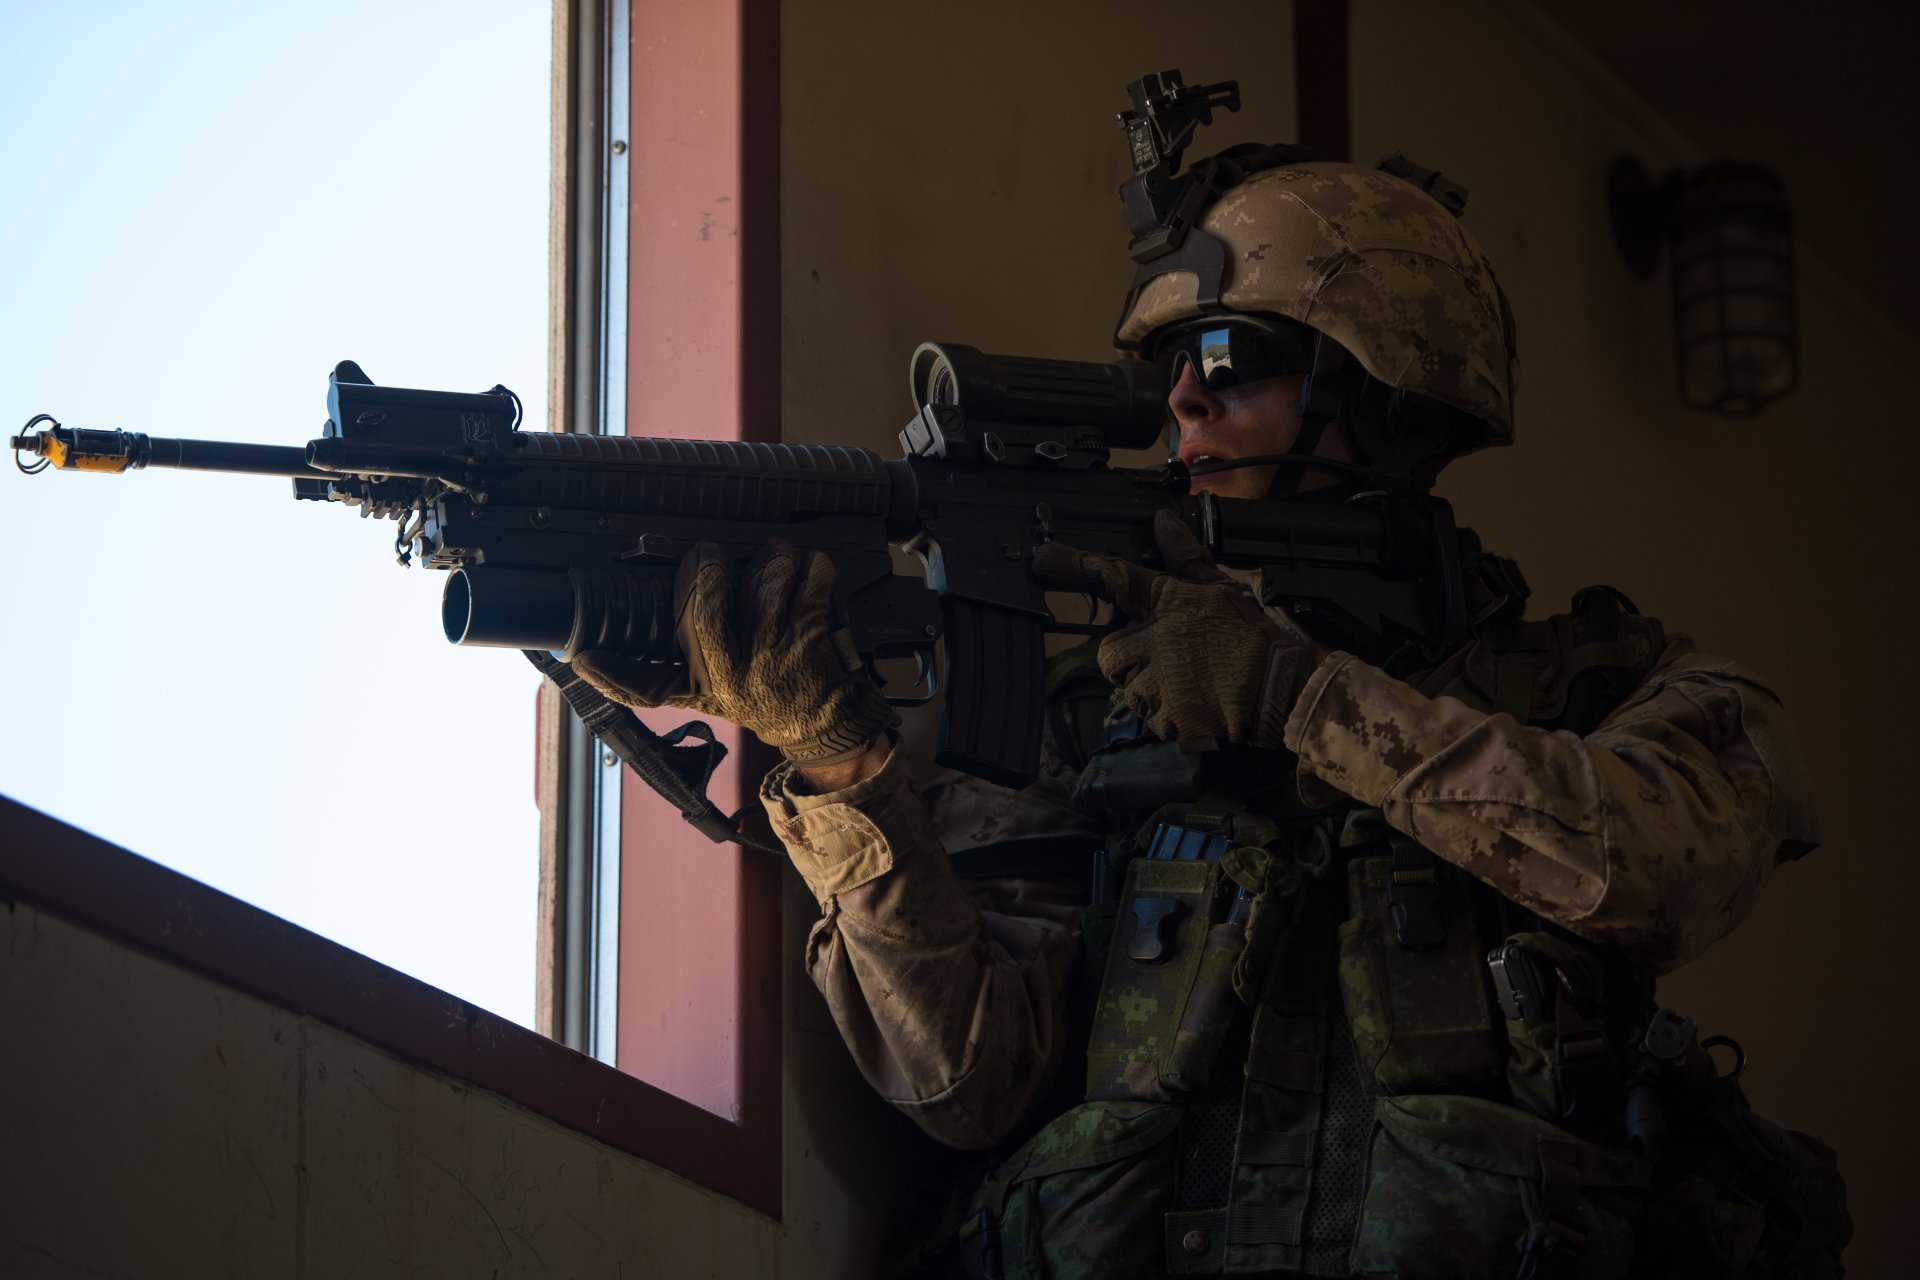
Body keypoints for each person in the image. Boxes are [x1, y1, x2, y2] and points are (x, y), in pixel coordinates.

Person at [573, 137, 1845, 1278]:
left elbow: (1655, 865)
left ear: (1382, 388)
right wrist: (840, 767)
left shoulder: (1614, 683)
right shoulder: (1101, 716)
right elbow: (963, 1078)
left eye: (1227, 361)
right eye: (1172, 370)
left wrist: (1297, 696)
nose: (1182, 404)